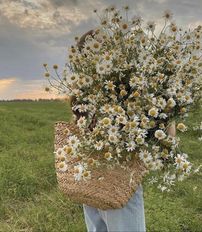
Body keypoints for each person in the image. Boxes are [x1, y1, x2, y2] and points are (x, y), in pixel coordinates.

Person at [69, 30, 176, 232]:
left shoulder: (83, 93)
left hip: (90, 182)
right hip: (119, 184)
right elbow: (166, 135)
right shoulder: (126, 88)